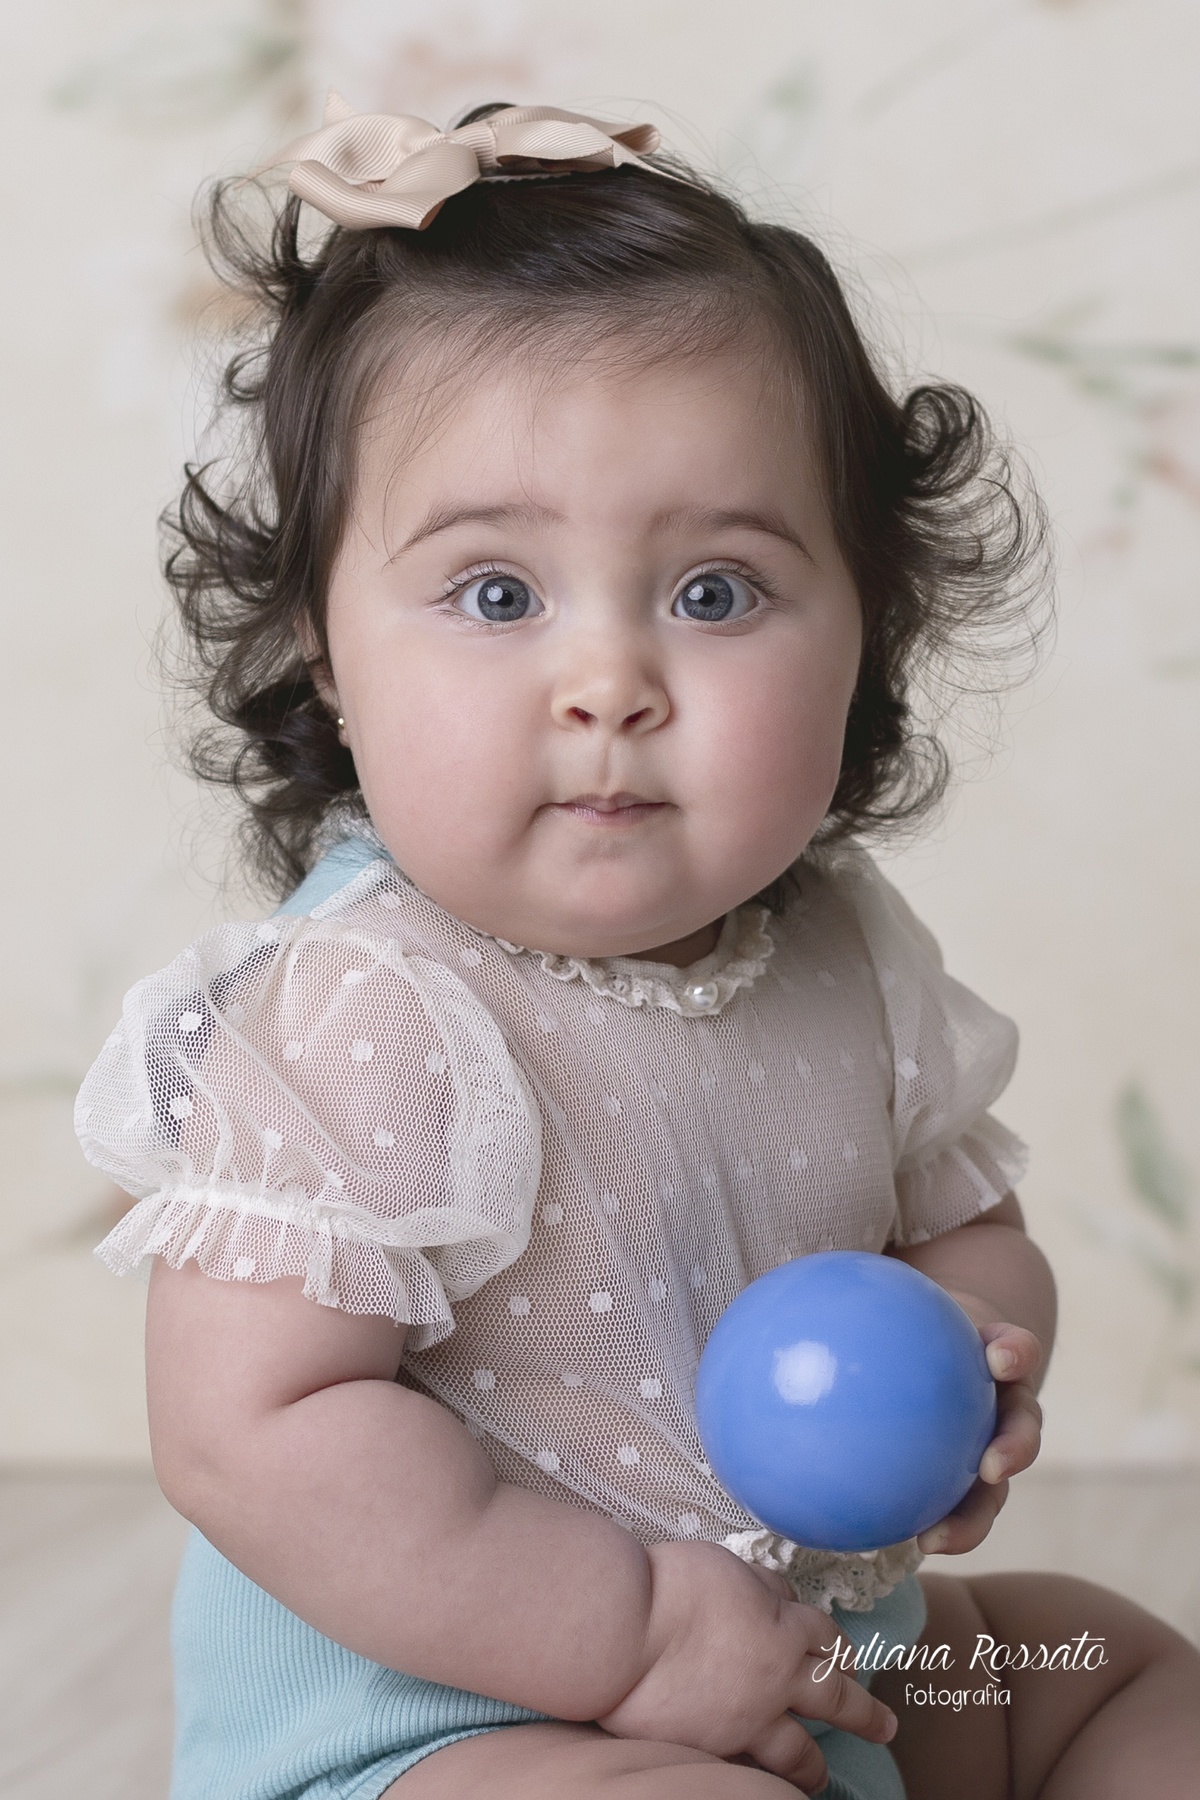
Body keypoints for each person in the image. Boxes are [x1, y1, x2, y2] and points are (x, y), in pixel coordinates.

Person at [75, 98, 1200, 1800]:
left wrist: (974, 1360)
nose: (611, 683)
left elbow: (969, 1232)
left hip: (837, 1666)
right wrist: (629, 1635)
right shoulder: (367, 1015)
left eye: (718, 593)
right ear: (323, 645)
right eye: (499, 595)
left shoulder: (851, 952)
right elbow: (256, 1436)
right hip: (458, 1728)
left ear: (867, 632)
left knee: (1112, 1671)